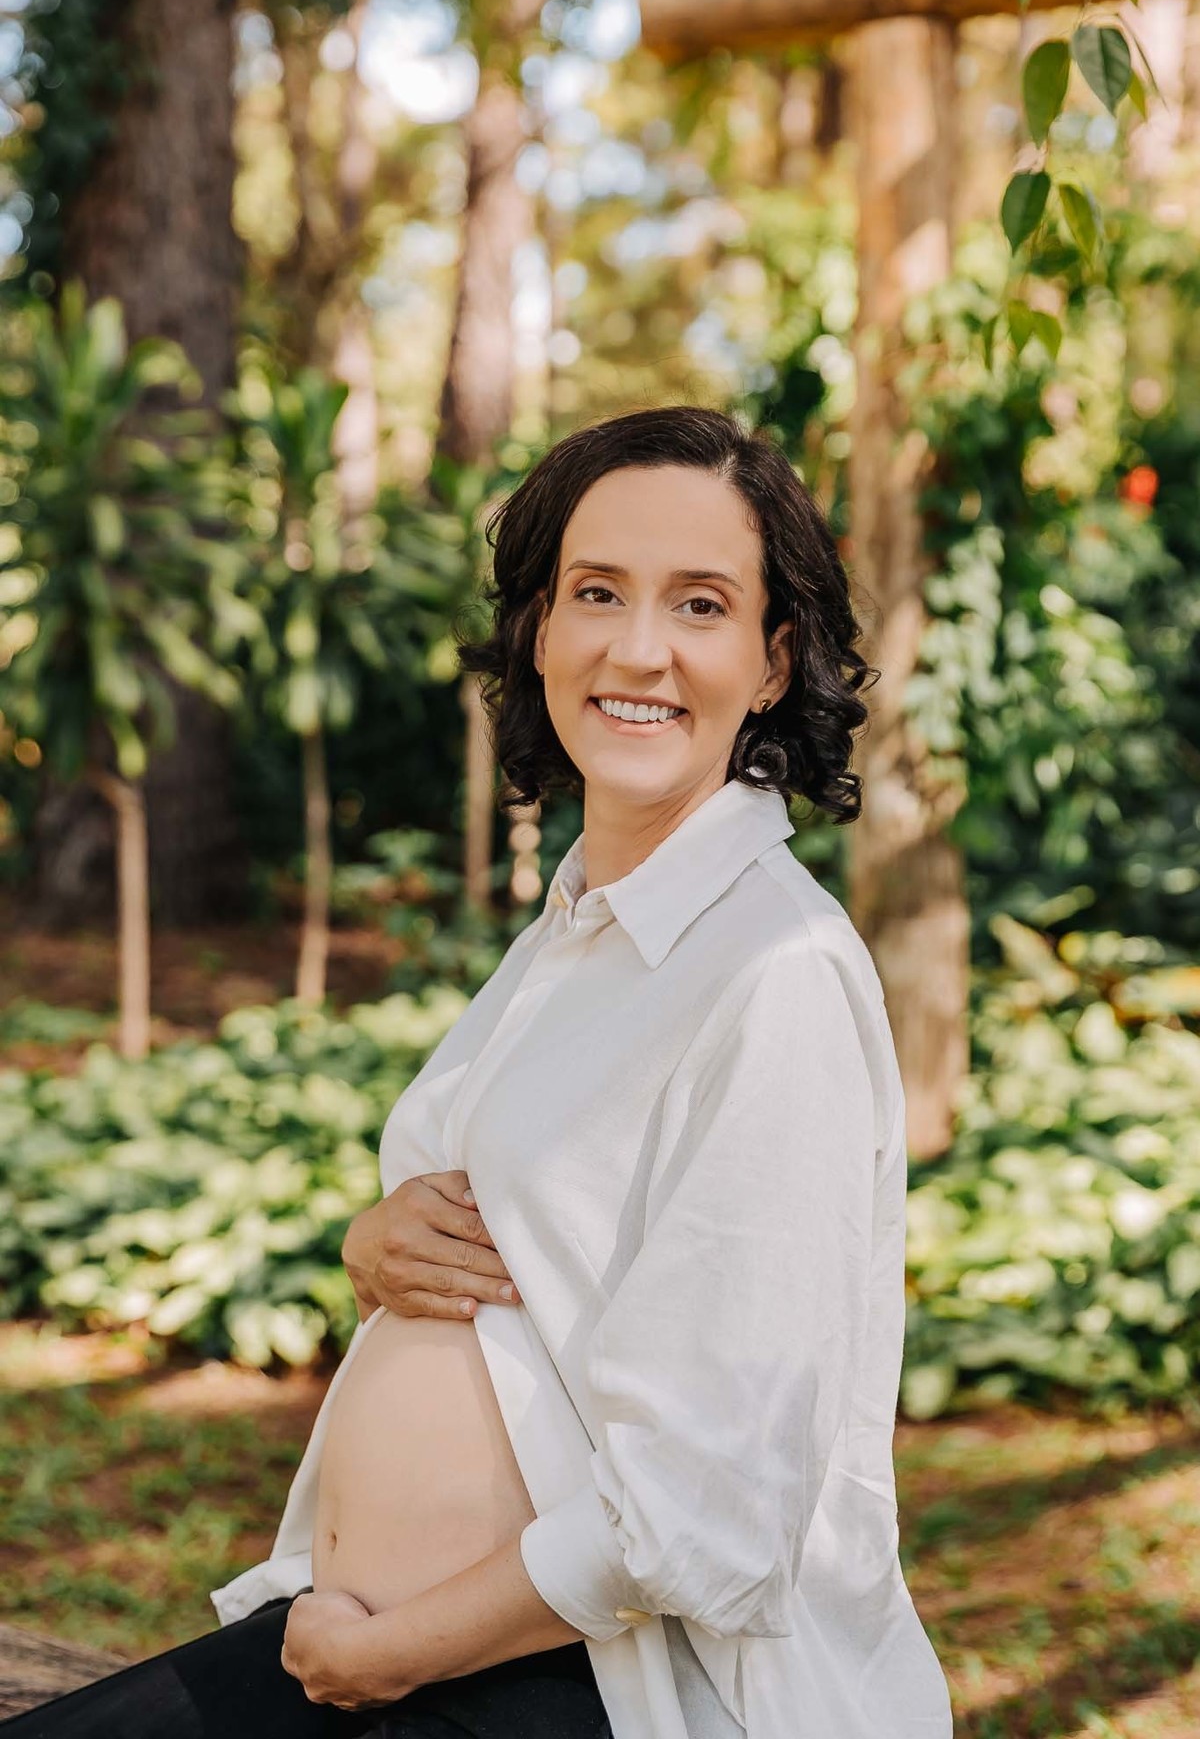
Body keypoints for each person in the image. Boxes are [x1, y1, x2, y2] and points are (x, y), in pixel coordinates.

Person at [4, 406, 954, 1738]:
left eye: (699, 605)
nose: (638, 648)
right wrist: (374, 1249)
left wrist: (389, 1657)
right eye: (597, 592)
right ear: (541, 629)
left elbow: (709, 1501)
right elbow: (525, 1258)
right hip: (409, 1659)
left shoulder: (772, 969)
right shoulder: (583, 927)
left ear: (774, 658)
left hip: (588, 1696)